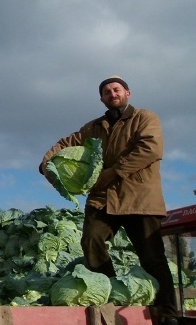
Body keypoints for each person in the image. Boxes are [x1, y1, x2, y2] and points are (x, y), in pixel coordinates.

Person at [39, 75, 178, 324]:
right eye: (106, 91)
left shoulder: (145, 118)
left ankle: (167, 311)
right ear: (102, 98)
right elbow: (66, 143)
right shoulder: (94, 127)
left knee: (152, 257)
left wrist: (113, 172)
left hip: (139, 197)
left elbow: (150, 149)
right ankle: (110, 293)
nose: (112, 94)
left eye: (116, 89)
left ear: (127, 93)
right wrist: (46, 163)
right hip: (103, 199)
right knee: (91, 241)